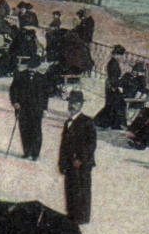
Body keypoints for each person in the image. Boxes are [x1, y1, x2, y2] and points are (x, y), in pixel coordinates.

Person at [57, 90, 97, 224]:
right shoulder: (68, 122)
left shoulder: (87, 122)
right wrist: (61, 163)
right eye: (70, 102)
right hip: (69, 163)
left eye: (76, 103)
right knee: (70, 188)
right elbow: (63, 146)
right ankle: (72, 214)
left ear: (81, 105)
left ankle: (82, 217)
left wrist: (81, 159)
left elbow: (91, 144)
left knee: (82, 189)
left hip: (82, 164)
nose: (72, 106)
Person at [9, 58, 51, 160]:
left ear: (38, 67)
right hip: (22, 108)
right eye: (31, 67)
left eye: (34, 67)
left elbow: (45, 95)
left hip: (36, 109)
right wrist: (15, 102)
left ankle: (35, 153)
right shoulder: (20, 76)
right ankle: (26, 151)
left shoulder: (42, 78)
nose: (32, 69)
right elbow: (13, 90)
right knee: (24, 129)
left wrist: (44, 108)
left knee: (36, 130)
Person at [96, 45, 128, 130]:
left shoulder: (113, 62)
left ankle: (105, 122)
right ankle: (109, 123)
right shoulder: (113, 63)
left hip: (110, 85)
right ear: (117, 54)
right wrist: (115, 87)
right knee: (113, 105)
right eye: (121, 55)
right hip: (112, 86)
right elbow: (113, 76)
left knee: (111, 105)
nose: (121, 57)